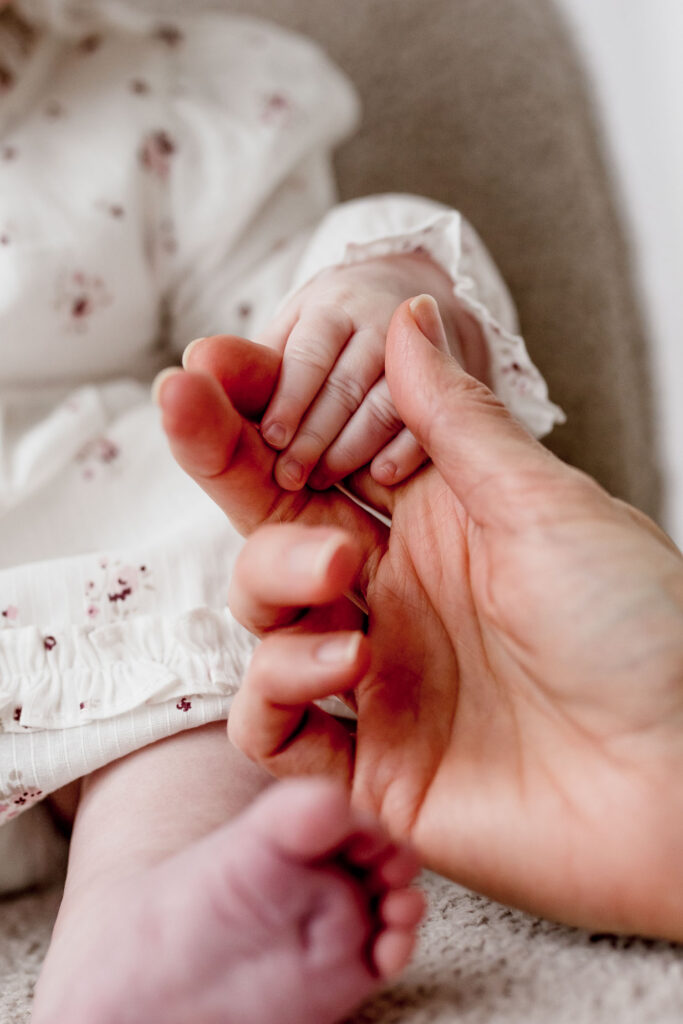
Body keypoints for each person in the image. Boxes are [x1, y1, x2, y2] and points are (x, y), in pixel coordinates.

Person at [0, 1, 564, 1021]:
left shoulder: (160, 94)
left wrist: (370, 300)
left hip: (84, 619)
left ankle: (141, 931)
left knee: (254, 593)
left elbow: (265, 371)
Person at [160, 294, 683, 944]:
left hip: (188, 564)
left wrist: (369, 306)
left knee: (177, 745)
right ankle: (145, 922)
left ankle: (140, 917)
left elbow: (276, 277)